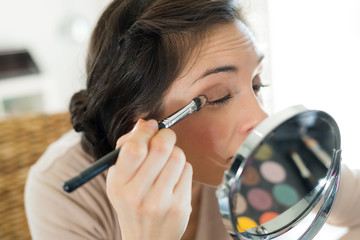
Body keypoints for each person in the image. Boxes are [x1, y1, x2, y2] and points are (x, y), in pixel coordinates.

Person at [24, 0, 360, 239]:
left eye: (257, 84)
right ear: (138, 123)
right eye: (218, 97)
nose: (260, 118)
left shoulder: (272, 150)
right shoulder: (62, 191)